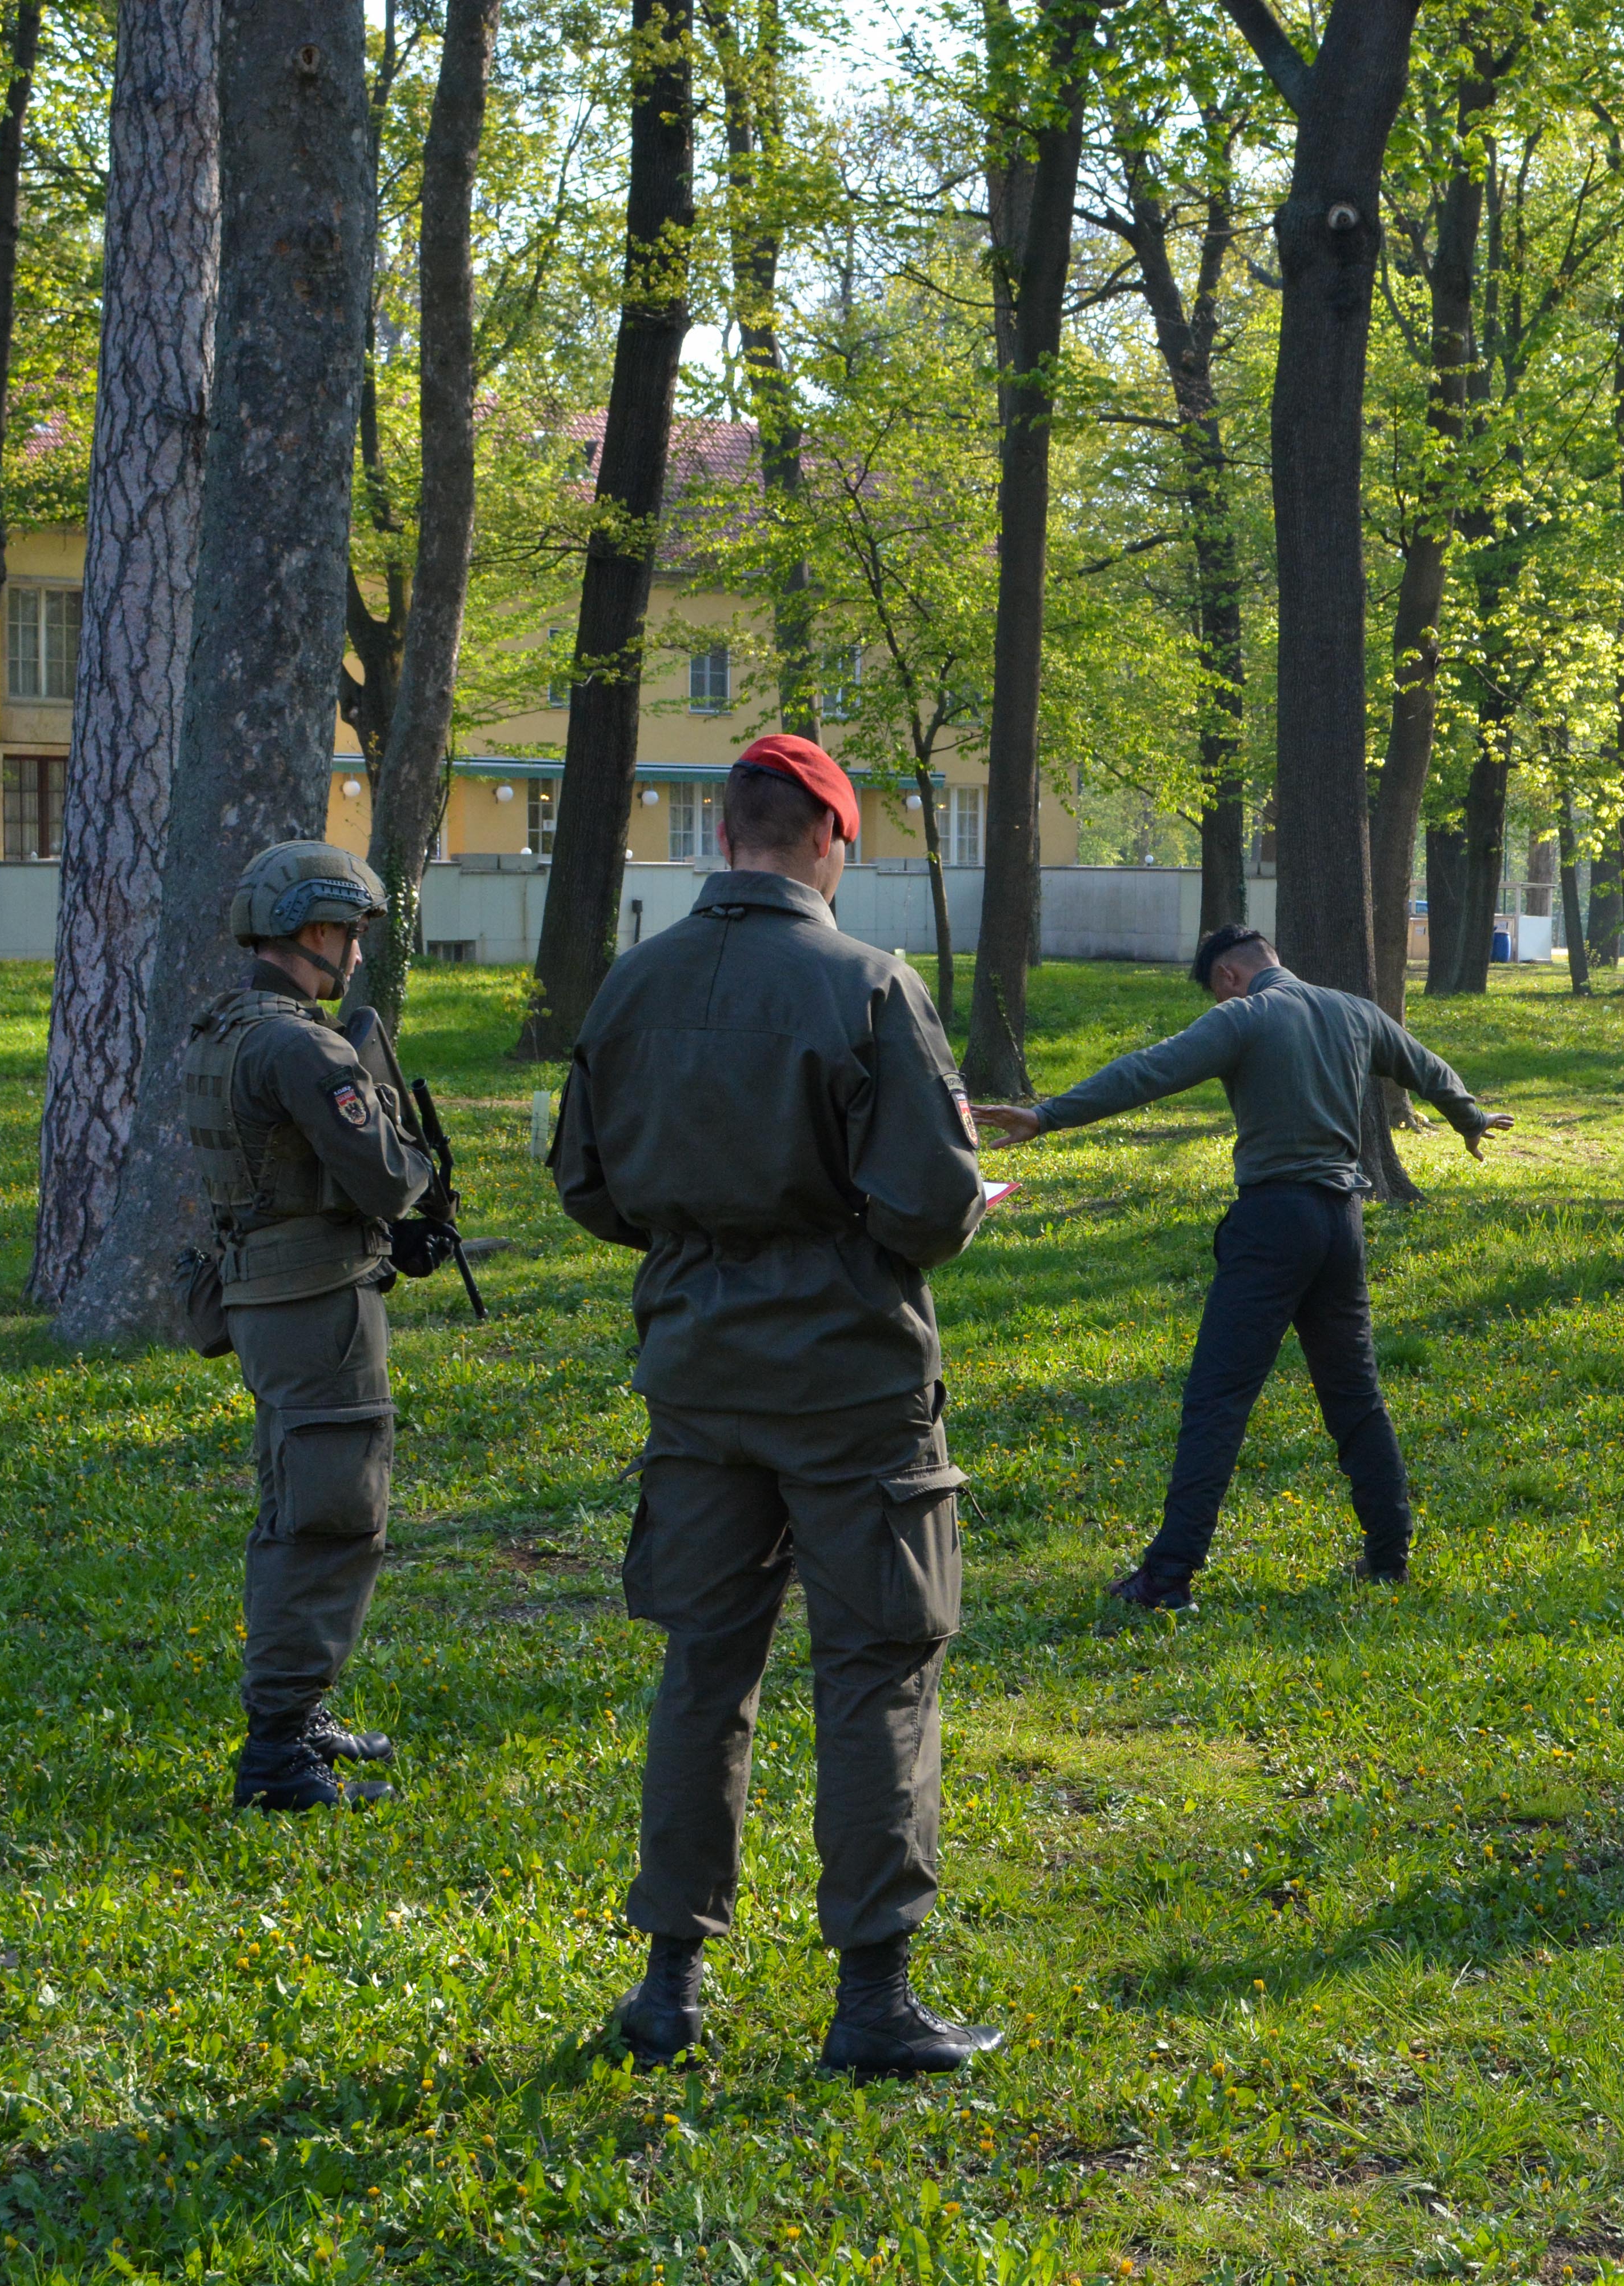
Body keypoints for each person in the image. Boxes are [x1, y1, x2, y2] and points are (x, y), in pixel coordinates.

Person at [551, 733, 1000, 2077]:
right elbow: (929, 1208)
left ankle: (669, 1983)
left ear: (729, 832)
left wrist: (705, 1242)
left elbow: (587, 1185)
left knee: (705, 1666)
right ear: (828, 838)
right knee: (878, 1668)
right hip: (850, 1379)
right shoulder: (870, 984)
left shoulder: (634, 981)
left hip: (697, 1373)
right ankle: (873, 1997)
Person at [973, 923, 1511, 1610]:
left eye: (1217, 989)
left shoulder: (1246, 1016)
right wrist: (1468, 1116)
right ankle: (1389, 1556)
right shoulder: (1354, 1012)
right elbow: (1425, 1065)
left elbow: (1149, 1070)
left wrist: (1047, 1116)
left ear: (1228, 976)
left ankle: (1168, 1577)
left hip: (1273, 1224)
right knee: (1355, 1396)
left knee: (1217, 1399)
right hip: (1342, 1223)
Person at [186, 841, 449, 1813]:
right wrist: (415, 1171)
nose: (356, 953)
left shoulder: (228, 1028)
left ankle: (297, 1716)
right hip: (315, 1309)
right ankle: (279, 1756)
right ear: (312, 931)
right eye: (349, 934)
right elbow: (385, 1176)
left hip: (267, 1296)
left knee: (296, 1507)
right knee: (330, 1516)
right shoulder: (304, 1048)